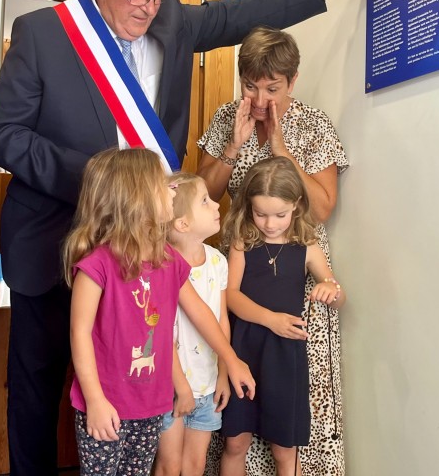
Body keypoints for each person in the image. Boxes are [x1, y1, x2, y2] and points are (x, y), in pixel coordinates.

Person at [0, 0, 385, 474]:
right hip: (57, 236)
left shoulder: (170, 17)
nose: (149, 8)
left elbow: (242, 11)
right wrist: (101, 179)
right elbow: (2, 134)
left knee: (139, 380)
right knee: (41, 382)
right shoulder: (44, 33)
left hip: (149, 247)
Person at [196, 27, 349, 475]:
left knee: (288, 420)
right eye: (251, 86)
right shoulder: (228, 117)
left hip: (295, 279)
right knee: (237, 417)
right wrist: (233, 146)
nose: (260, 100)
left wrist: (283, 154)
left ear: (292, 81)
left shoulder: (313, 124)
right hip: (241, 269)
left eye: (273, 88)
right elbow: (201, 195)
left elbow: (321, 209)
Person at [62, 148, 254, 475]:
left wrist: (231, 359)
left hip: (151, 404)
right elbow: (79, 334)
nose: (173, 190)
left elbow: (200, 313)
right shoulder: (96, 265)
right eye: (164, 185)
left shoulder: (168, 259)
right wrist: (94, 400)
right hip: (105, 403)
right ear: (136, 199)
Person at [219, 157, 346, 476]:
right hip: (244, 350)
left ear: (297, 205)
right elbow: (231, 296)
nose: (270, 224)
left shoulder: (307, 247)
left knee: (284, 449)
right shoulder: (242, 242)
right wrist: (270, 319)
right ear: (249, 206)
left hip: (285, 356)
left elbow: (337, 293)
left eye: (280, 215)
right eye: (260, 214)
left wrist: (330, 289)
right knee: (235, 443)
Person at [153, 172, 229, 476]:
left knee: (194, 465)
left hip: (207, 384)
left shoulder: (217, 261)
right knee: (169, 466)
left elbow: (221, 320)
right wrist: (181, 387)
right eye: (205, 201)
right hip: (171, 386)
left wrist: (223, 373)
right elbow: (161, 332)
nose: (217, 205)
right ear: (182, 224)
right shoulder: (161, 265)